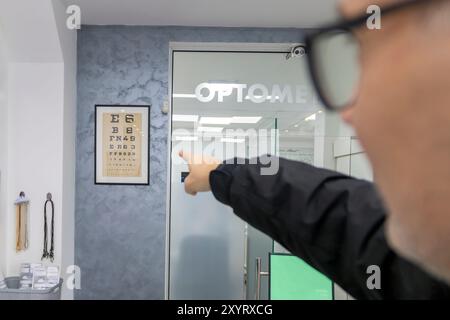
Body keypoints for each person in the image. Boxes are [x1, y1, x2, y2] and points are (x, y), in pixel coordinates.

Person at [179, 0, 450, 299]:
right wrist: (221, 175)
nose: (351, 113)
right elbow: (343, 223)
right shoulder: (424, 268)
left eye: (366, 51)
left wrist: (223, 176)